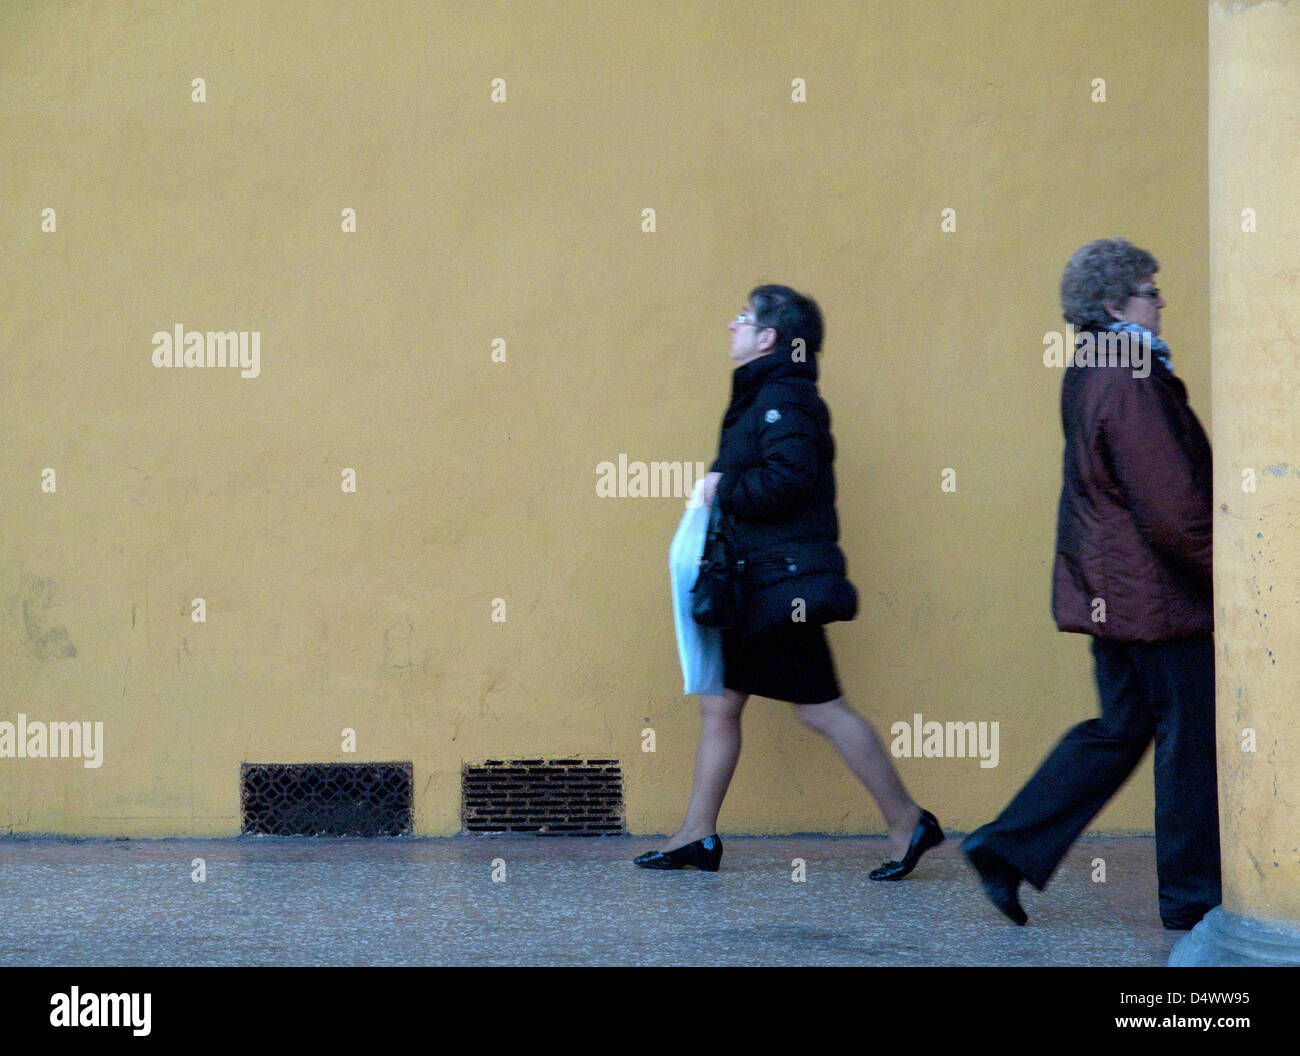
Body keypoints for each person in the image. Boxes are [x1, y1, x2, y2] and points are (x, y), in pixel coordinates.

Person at [634, 285, 943, 878]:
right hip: (759, 584)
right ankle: (696, 835)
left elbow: (789, 480)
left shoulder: (783, 397)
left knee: (820, 709)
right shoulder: (765, 395)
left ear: (769, 337)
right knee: (721, 703)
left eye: (743, 317)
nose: (732, 325)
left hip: (781, 591)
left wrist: (722, 489)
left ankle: (908, 821)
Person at [963, 239, 1222, 929]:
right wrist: (1231, 578)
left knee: (1119, 729)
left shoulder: (1093, 366)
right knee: (1190, 740)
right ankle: (1195, 900)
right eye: (1149, 289)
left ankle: (1006, 846)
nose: (1162, 300)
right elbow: (1172, 505)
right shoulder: (1131, 375)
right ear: (1114, 305)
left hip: (1117, 594)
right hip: (1159, 602)